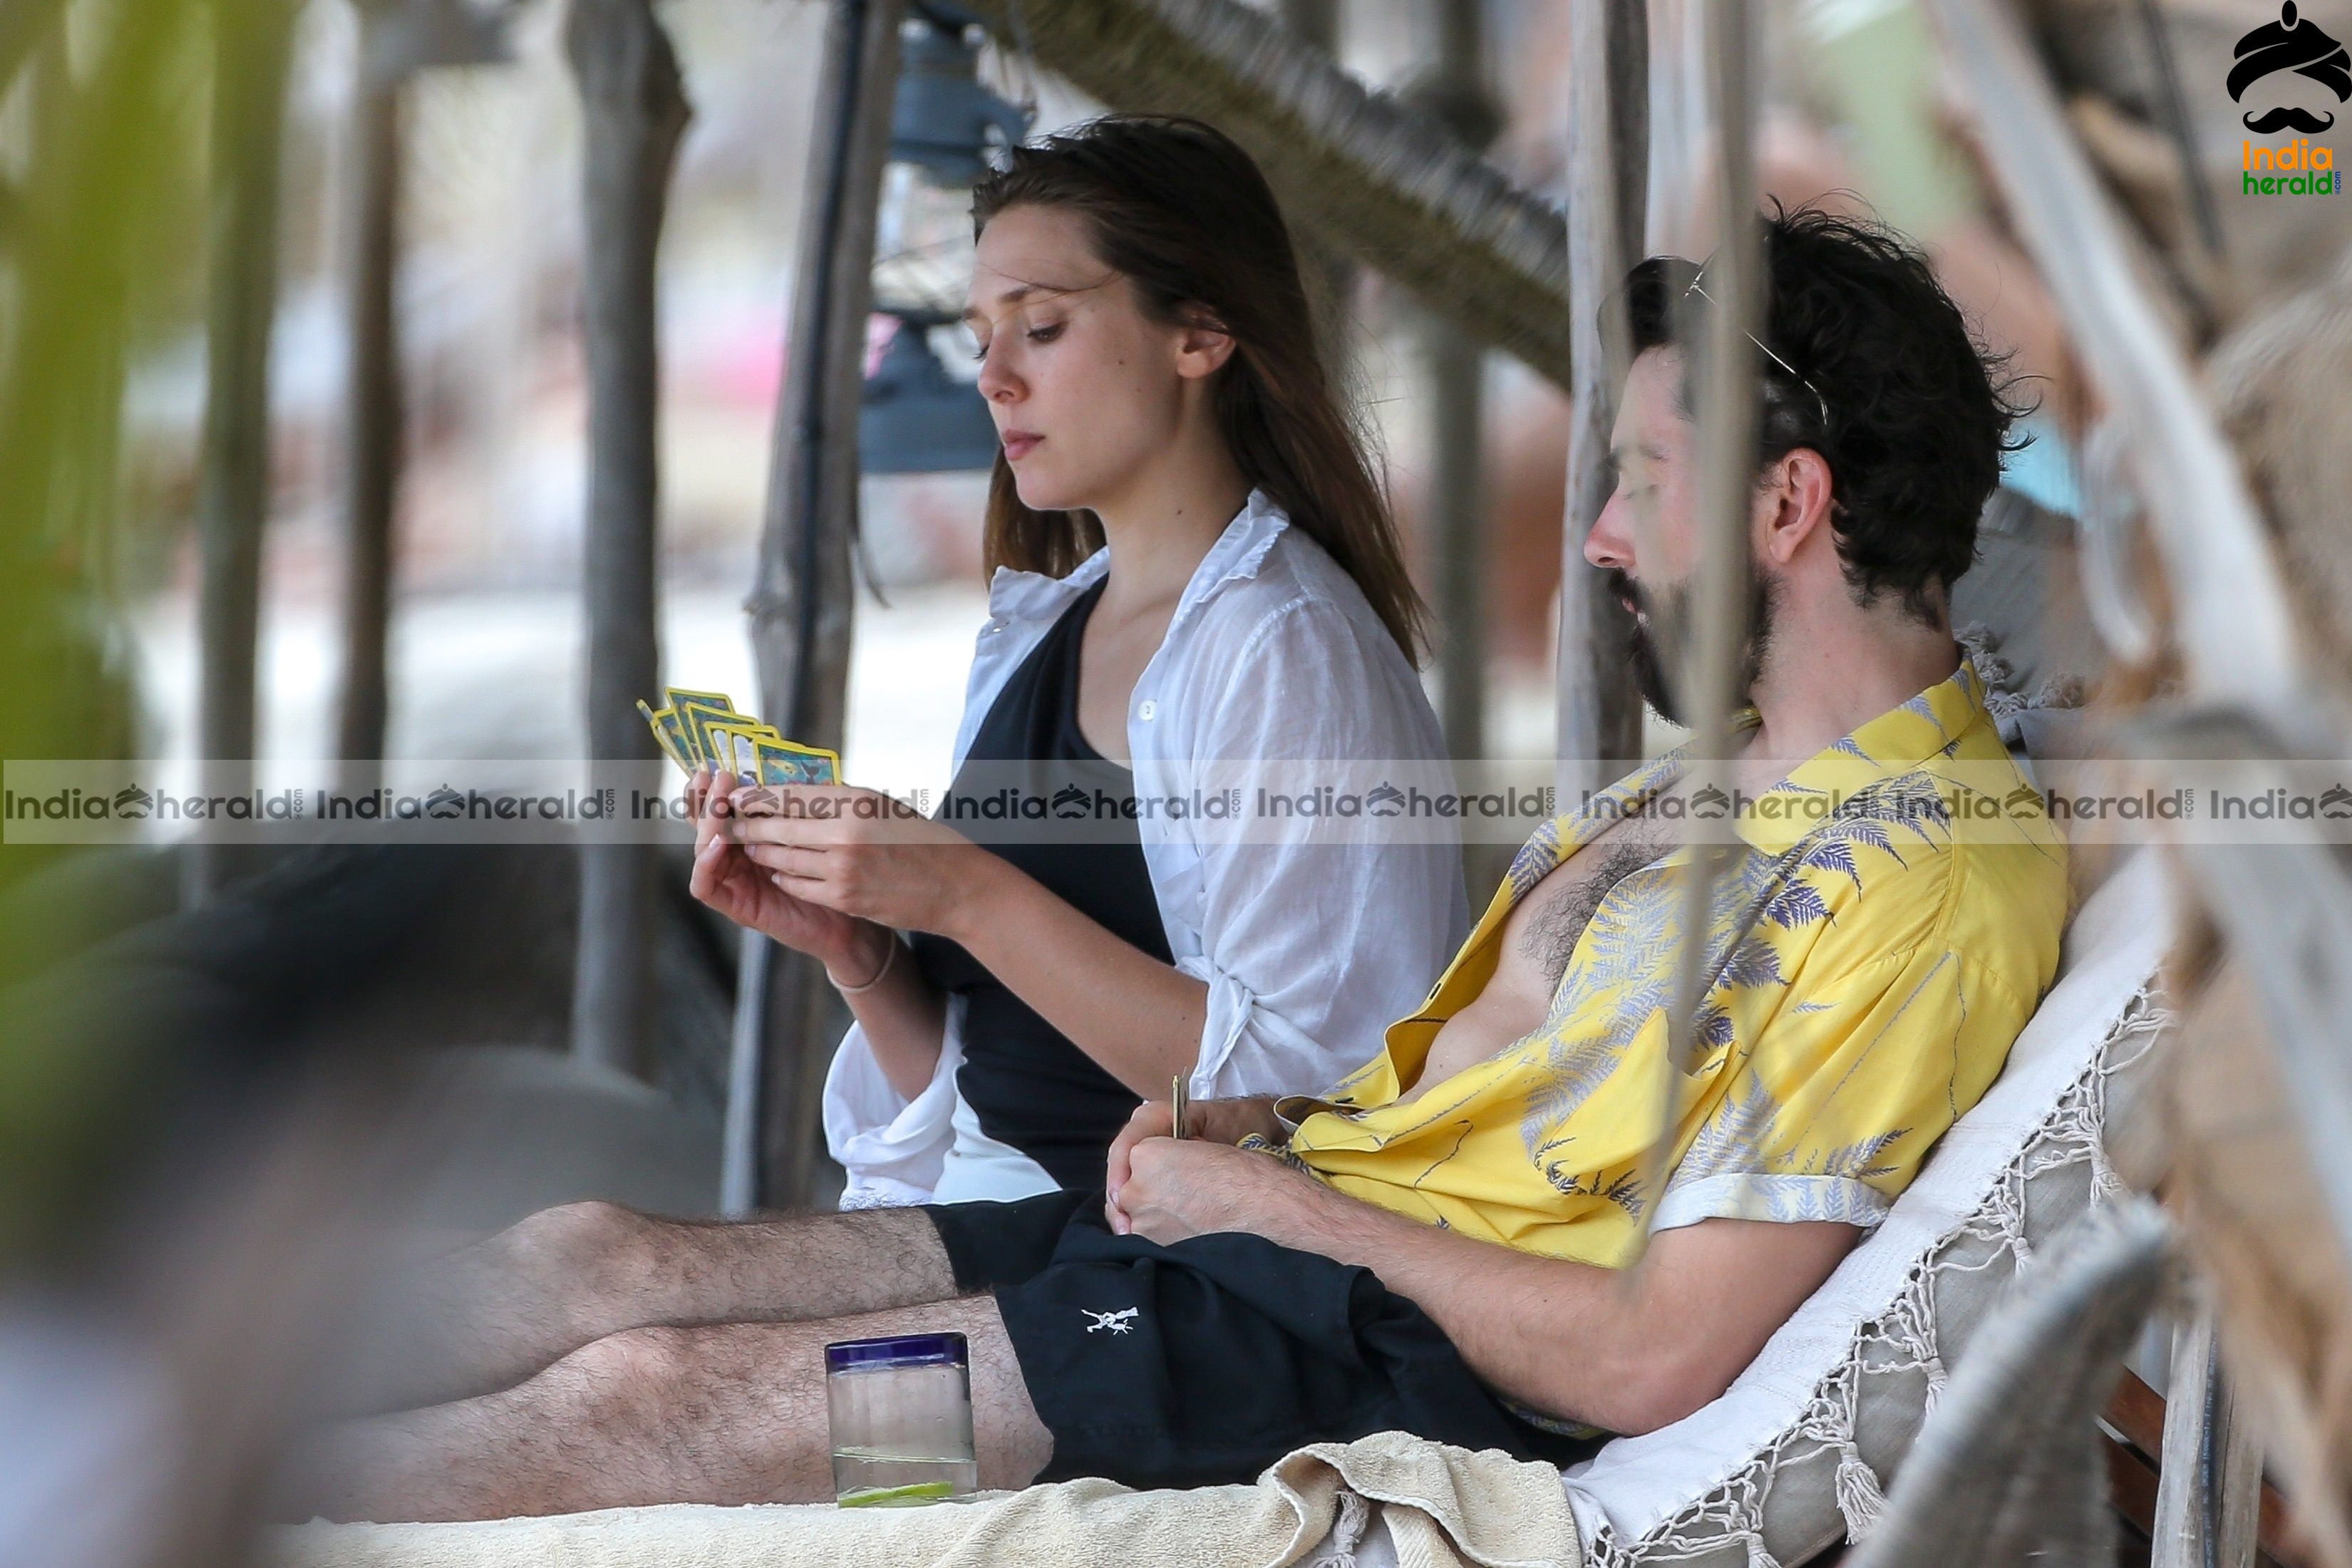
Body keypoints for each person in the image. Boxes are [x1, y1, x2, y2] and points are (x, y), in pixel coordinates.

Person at [301, 210, 2067, 1523]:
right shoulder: (1699, 791)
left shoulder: (1922, 884)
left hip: (1330, 1359)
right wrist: (1255, 1142)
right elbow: (1430, 1083)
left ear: (1786, 510)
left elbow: (1646, 1357)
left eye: (1646, 480)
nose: (1598, 532)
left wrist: (1281, 1203)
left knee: (661, 1406)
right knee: (598, 1259)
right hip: (1231, 1254)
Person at [691, 117, 1465, 1207]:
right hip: (983, 1230)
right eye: (981, 339)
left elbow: (1323, 1096)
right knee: (574, 1263)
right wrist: (859, 951)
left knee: (619, 1339)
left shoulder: (1286, 648)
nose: (995, 379)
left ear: (1199, 334)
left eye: (1041, 327)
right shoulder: (1039, 629)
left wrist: (965, 892)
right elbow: (990, 1103)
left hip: (1158, 1277)